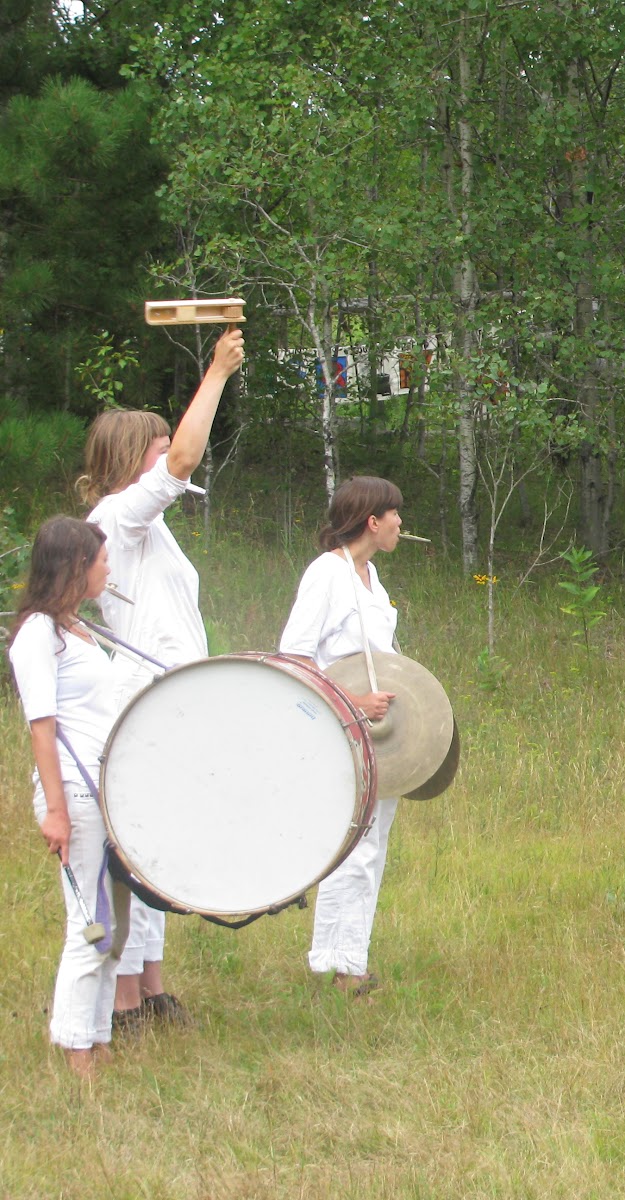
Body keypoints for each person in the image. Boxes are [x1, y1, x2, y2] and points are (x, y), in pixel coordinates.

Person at [79, 325, 245, 1032]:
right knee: (134, 849)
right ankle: (121, 1001)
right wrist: (217, 373)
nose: (168, 453)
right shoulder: (119, 515)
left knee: (158, 846)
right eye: (155, 446)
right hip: (142, 700)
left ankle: (150, 988)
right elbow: (182, 459)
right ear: (132, 458)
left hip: (171, 699)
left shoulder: (145, 526)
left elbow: (175, 461)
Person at [7, 517, 128, 1078]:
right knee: (90, 921)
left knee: (113, 923)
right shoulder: (39, 633)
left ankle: (97, 1035)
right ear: (76, 566)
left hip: (103, 791)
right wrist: (55, 810)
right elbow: (43, 726)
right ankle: (76, 1047)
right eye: (101, 560)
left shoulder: (77, 628)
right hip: (74, 794)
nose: (108, 568)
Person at [280, 476, 403, 995]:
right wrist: (352, 703)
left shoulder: (372, 576)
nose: (400, 523)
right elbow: (294, 656)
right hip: (342, 730)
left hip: (381, 734)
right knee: (354, 844)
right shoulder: (326, 574)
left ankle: (349, 957)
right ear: (372, 521)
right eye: (394, 514)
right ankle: (344, 966)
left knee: (372, 845)